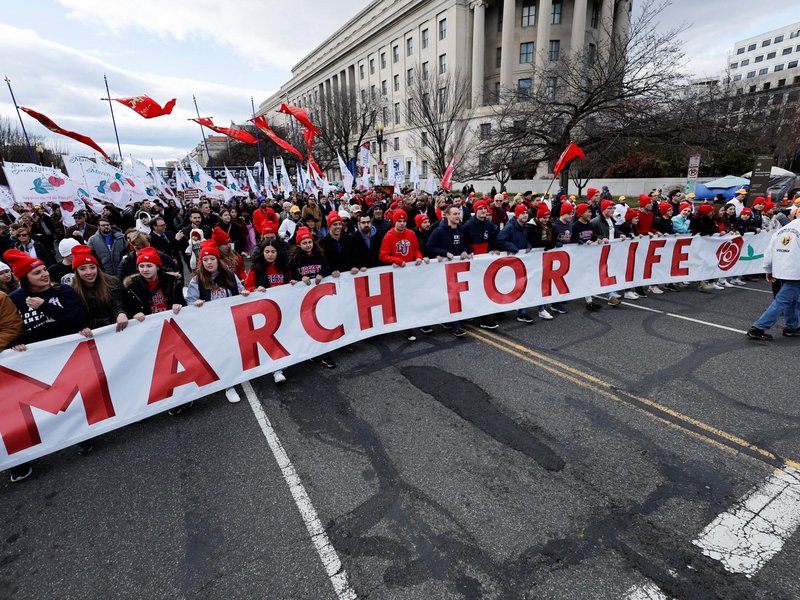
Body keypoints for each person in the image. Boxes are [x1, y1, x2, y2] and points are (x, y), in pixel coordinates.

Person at [3, 248, 86, 482]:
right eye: (37, 273)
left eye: (44, 270)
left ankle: (83, 435)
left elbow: (77, 317)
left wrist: (44, 306)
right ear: (25, 278)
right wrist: (15, 342)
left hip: (66, 356)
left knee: (72, 399)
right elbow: (12, 327)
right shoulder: (15, 299)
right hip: (34, 363)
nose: (44, 275)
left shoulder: (62, 290)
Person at [185, 240, 249, 402]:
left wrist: (244, 294)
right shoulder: (197, 280)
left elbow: (240, 290)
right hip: (211, 326)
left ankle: (237, 374)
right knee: (220, 355)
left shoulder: (229, 275)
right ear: (201, 262)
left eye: (212, 259)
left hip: (231, 322)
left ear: (218, 260)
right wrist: (195, 303)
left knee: (234, 351)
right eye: (205, 260)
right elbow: (190, 302)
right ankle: (228, 386)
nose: (209, 262)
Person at [288, 227, 336, 368]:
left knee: (323, 323)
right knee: (309, 325)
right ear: (299, 245)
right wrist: (299, 277)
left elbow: (327, 267)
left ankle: (325, 354)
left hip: (320, 297)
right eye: (304, 243)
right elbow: (289, 274)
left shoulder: (320, 255)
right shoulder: (294, 259)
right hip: (304, 299)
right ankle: (312, 352)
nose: (308, 245)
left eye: (309, 242)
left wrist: (322, 274)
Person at [746, 217, 800, 340]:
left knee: (793, 298)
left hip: (781, 269)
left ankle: (791, 326)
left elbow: (769, 252)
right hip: (795, 271)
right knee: (783, 300)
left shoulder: (782, 230)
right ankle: (758, 327)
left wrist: (768, 269)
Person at [70, 245, 128, 336]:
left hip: (118, 330)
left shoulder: (112, 282)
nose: (89, 272)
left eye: (92, 267)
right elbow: (76, 317)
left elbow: (118, 302)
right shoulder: (72, 291)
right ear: (76, 272)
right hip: (95, 335)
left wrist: (120, 313)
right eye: (82, 269)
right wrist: (83, 326)